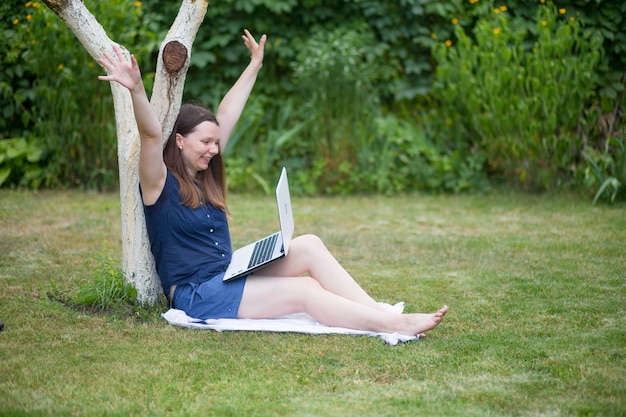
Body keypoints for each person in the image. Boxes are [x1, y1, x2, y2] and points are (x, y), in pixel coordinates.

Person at [98, 30, 447, 337]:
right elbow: (150, 132)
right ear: (180, 141)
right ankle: (393, 326)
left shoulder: (205, 172)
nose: (213, 149)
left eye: (216, 143)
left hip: (227, 273)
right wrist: (137, 88)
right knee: (305, 291)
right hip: (197, 294)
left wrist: (255, 65)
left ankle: (378, 311)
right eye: (204, 142)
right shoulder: (159, 183)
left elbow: (227, 114)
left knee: (308, 245)